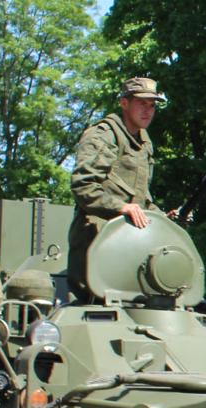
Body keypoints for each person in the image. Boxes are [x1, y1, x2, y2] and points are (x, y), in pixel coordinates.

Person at [68, 76, 167, 299]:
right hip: (97, 239)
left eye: (152, 105)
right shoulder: (103, 135)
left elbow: (141, 197)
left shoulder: (143, 141)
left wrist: (161, 216)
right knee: (94, 312)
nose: (148, 111)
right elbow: (83, 187)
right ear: (124, 103)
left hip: (130, 241)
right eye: (142, 103)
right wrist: (122, 207)